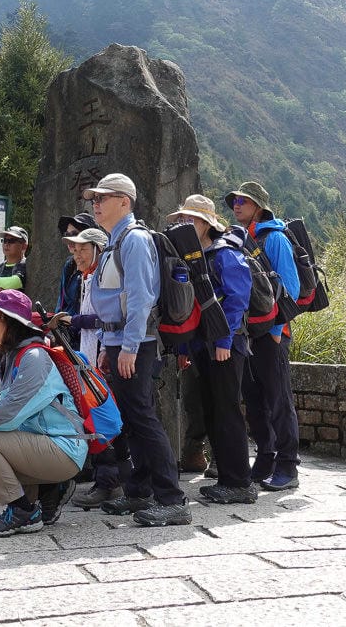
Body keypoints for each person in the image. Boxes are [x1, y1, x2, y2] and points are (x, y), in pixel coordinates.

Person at [84, 172, 190, 527]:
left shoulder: (134, 240)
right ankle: (139, 490)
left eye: (103, 198)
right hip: (121, 343)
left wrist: (128, 346)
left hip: (137, 344)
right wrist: (108, 346)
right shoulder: (115, 241)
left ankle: (172, 499)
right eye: (94, 199)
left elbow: (142, 297)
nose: (96, 204)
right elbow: (113, 301)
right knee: (132, 419)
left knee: (143, 418)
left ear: (124, 202)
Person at [0, 289, 87, 537]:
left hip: (63, 447)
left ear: (12, 323)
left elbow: (7, 416)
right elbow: (2, 417)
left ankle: (23, 512)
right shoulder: (10, 358)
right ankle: (47, 491)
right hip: (36, 444)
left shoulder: (34, 358)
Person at [168, 195, 257, 503]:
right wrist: (185, 346)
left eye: (191, 219)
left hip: (225, 346)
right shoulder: (193, 256)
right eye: (182, 219)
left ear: (207, 224)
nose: (185, 224)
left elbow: (237, 300)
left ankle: (240, 483)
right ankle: (227, 480)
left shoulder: (225, 254)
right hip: (202, 346)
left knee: (227, 411)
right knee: (211, 410)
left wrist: (223, 341)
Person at [225, 180, 301, 491]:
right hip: (248, 334)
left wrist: (275, 330)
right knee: (254, 399)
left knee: (279, 399)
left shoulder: (275, 238)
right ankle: (266, 457)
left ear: (258, 206)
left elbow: (290, 287)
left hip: (271, 333)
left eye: (243, 200)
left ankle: (288, 465)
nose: (236, 205)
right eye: (235, 201)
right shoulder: (240, 238)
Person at [56, 227, 127, 510]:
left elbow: (107, 318)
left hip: (106, 356)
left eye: (83, 249)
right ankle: (107, 481)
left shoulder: (107, 276)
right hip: (91, 356)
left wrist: (73, 321)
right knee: (95, 418)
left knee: (105, 420)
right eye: (74, 249)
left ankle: (111, 484)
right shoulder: (86, 277)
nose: (77, 254)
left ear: (99, 250)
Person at [56, 212, 98, 324]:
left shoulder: (104, 267)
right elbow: (61, 304)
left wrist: (74, 321)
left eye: (74, 234)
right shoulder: (69, 265)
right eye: (67, 234)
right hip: (68, 328)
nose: (69, 239)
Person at [0, 226, 28, 301]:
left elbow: (16, 282)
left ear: (24, 246)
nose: (6, 244)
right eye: (5, 240)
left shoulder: (27, 265)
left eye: (12, 241)